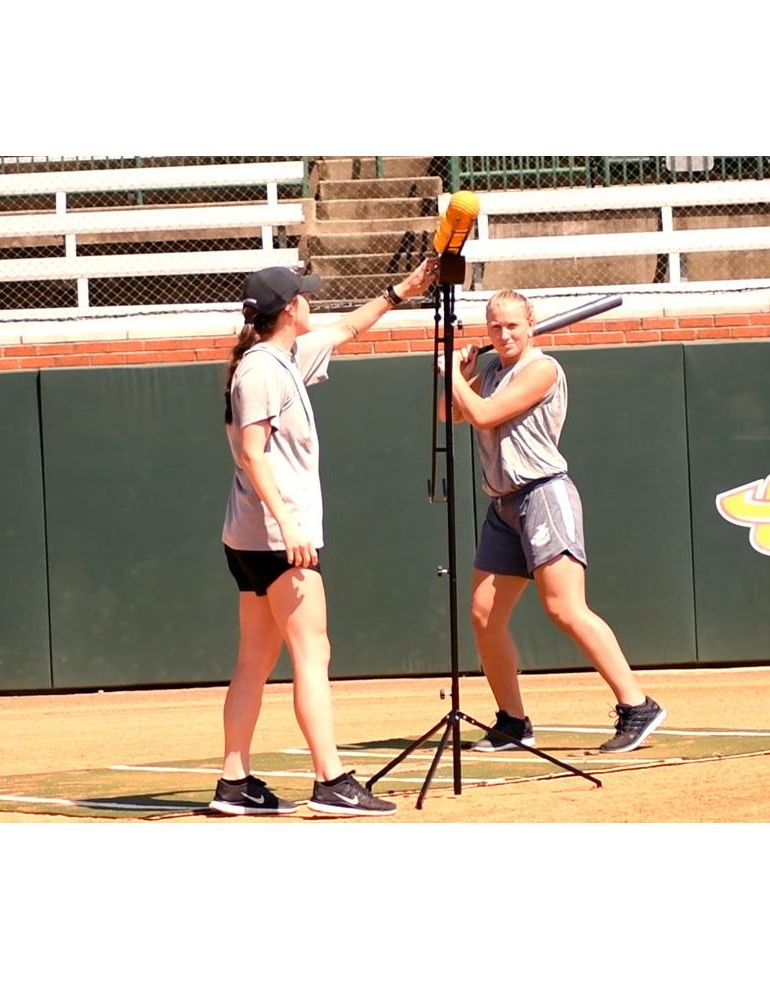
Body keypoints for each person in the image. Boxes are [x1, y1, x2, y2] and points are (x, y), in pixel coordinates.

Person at [210, 257, 437, 816]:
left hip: (249, 538)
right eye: (304, 296)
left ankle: (234, 784)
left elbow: (348, 328)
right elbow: (252, 453)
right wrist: (288, 523)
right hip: (276, 537)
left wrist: (401, 291)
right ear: (289, 309)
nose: (312, 302)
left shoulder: (279, 356)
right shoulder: (262, 371)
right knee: (313, 653)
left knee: (254, 661)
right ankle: (331, 780)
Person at [438, 289, 665, 754]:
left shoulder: (542, 369)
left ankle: (638, 705)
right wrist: (456, 378)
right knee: (484, 615)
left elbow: (481, 415)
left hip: (543, 494)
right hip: (502, 503)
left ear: (530, 322)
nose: (503, 334)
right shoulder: (492, 371)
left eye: (512, 325)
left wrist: (453, 376)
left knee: (564, 608)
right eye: (495, 327)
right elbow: (448, 415)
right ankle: (513, 723)